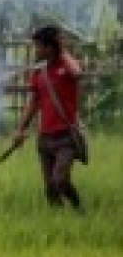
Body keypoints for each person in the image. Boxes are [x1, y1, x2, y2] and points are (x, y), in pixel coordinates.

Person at [14, 25, 84, 210]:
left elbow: (77, 73)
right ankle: (58, 223)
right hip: (44, 137)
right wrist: (21, 129)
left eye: (38, 46)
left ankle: (79, 210)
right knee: (50, 188)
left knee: (60, 180)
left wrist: (63, 49)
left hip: (65, 137)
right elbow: (33, 104)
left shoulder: (67, 66)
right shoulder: (38, 72)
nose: (35, 50)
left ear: (50, 47)